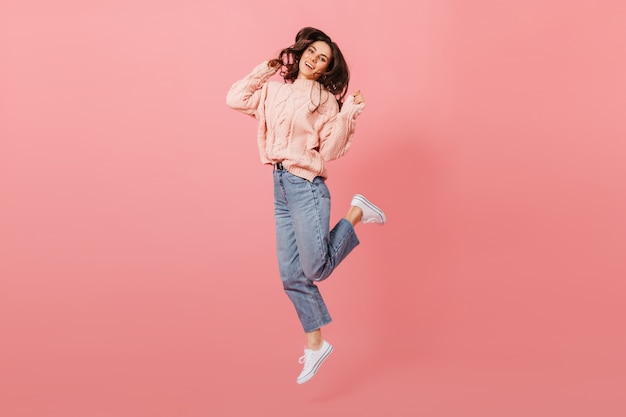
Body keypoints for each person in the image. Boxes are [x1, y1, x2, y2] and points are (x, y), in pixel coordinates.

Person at [226, 27, 386, 384]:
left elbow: (329, 151)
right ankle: (316, 343)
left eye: (323, 59)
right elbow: (235, 99)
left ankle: (356, 212)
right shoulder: (273, 89)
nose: (315, 59)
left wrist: (348, 115)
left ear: (327, 69)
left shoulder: (325, 101)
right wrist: (264, 70)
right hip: (280, 185)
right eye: (312, 52)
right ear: (300, 54)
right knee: (291, 275)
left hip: (306, 186)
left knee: (316, 268)